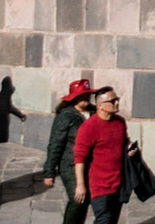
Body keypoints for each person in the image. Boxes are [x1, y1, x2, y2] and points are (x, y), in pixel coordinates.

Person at [72, 85, 136, 224]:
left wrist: (129, 148)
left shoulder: (120, 122)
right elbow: (79, 158)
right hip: (99, 187)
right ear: (100, 105)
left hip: (119, 185)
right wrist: (80, 185)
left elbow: (124, 141)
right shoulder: (88, 128)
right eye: (113, 101)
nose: (117, 103)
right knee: (104, 220)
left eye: (117, 99)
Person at [42, 79, 95, 224]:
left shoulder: (95, 112)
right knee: (77, 198)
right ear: (74, 97)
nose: (86, 98)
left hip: (90, 164)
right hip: (69, 164)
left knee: (86, 199)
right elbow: (55, 144)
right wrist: (49, 172)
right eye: (82, 95)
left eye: (87, 95)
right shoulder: (66, 116)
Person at [0, 75, 25, 144]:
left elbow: (10, 108)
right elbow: (8, 108)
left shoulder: (5, 96)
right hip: (0, 126)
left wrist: (20, 115)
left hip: (3, 125)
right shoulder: (2, 97)